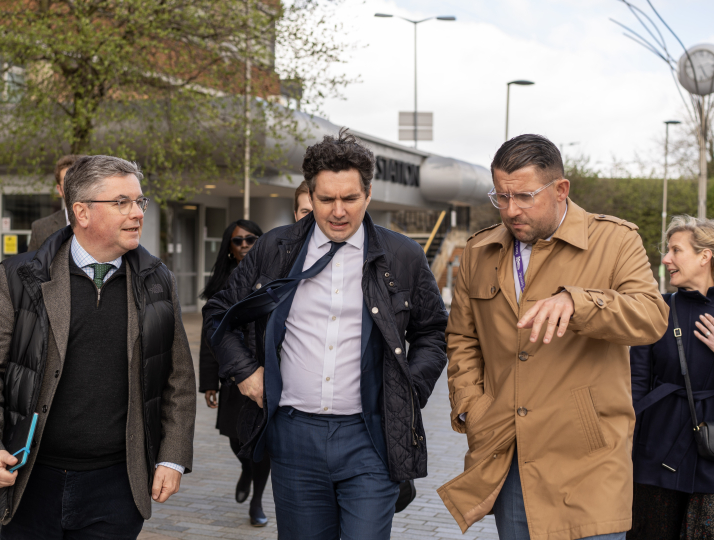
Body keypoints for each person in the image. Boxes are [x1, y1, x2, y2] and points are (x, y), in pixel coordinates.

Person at [204, 129, 448, 540]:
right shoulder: (274, 249)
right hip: (294, 434)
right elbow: (218, 313)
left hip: (372, 436)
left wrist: (408, 390)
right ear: (310, 197)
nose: (338, 211)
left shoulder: (403, 255)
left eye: (349, 198)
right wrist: (245, 373)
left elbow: (433, 333)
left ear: (367, 196)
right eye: (326, 199)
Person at [437, 134, 669, 540]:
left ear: (561, 189)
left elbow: (651, 317)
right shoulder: (478, 251)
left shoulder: (615, 240)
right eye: (502, 197)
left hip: (590, 464)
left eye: (525, 196)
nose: (511, 210)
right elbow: (462, 339)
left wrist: (580, 304)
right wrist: (472, 407)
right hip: (509, 458)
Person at [0, 155, 196, 539]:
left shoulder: (157, 280)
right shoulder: (19, 278)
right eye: (122, 202)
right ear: (81, 212)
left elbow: (179, 378)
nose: (137, 213)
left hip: (117, 487)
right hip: (30, 479)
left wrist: (173, 457)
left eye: (139, 201)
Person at [629, 216, 714, 540]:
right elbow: (636, 384)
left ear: (704, 256)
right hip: (656, 452)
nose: (666, 259)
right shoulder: (657, 309)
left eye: (675, 250)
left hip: (711, 457)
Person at [198, 218, 269, 526]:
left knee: (262, 442)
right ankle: (245, 468)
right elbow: (209, 337)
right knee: (235, 440)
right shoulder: (222, 284)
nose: (244, 246)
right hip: (231, 376)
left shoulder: (271, 274)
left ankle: (257, 501)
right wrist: (209, 382)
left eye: (250, 239)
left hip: (264, 373)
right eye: (237, 241)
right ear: (228, 247)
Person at [28, 154, 84, 252]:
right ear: (59, 189)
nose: (73, 187)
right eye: (67, 182)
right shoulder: (40, 229)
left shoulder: (105, 222)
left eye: (78, 180)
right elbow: (32, 266)